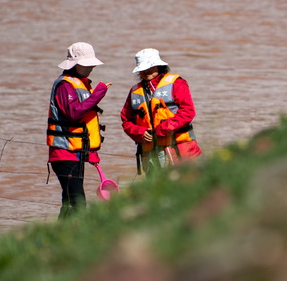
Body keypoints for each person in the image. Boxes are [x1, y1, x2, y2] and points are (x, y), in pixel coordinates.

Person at [47, 42, 109, 218]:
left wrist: (91, 152)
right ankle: (75, 241)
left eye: (92, 64)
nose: (92, 67)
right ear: (75, 64)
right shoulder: (64, 85)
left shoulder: (80, 84)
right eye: (87, 64)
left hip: (76, 152)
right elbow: (74, 113)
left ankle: (58, 242)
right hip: (64, 152)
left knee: (70, 201)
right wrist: (98, 94)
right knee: (78, 202)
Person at [120, 48, 201, 173]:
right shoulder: (135, 91)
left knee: (187, 186)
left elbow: (188, 111)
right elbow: (126, 120)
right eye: (142, 69)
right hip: (150, 154)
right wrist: (139, 132)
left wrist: (163, 129)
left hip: (179, 149)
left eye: (150, 67)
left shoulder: (177, 83)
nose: (146, 71)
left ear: (159, 66)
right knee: (156, 190)